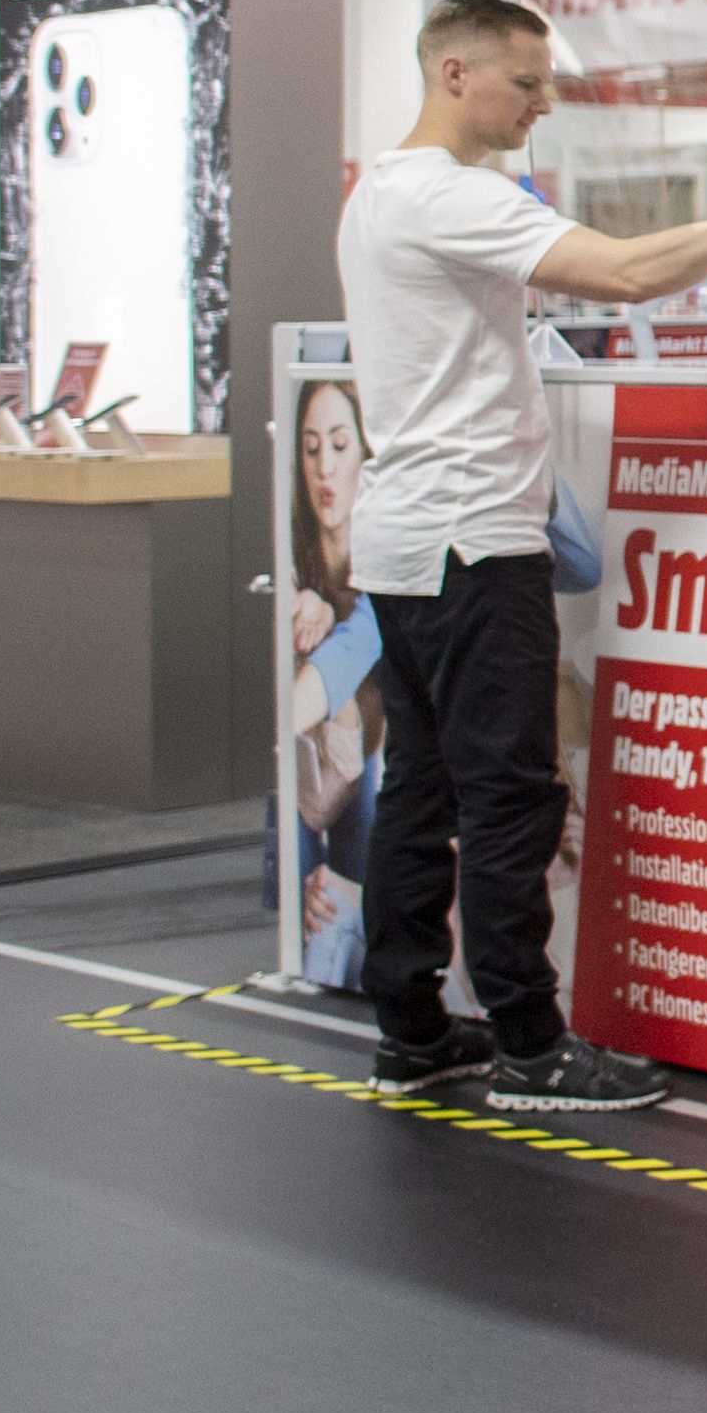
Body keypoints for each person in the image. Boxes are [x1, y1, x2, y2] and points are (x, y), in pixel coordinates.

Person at [339, 0, 707, 1110]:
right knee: (512, 796)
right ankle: (529, 1045)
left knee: (421, 791)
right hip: (474, 543)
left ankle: (413, 1029)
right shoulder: (449, 195)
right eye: (526, 82)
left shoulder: (383, 191)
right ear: (455, 74)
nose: (545, 102)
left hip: (409, 539)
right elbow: (625, 273)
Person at [284, 378, 384, 987]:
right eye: (311, 446)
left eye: (341, 446)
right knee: (322, 919)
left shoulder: (383, 571)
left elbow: (357, 650)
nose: (325, 466)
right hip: (317, 807)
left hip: (378, 818)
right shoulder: (294, 568)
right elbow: (306, 793)